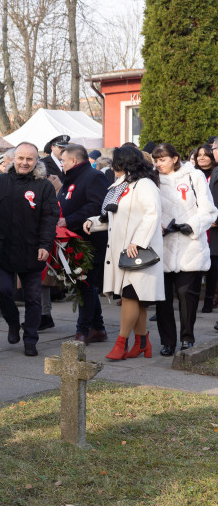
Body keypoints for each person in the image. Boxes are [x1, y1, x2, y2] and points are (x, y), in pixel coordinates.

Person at [84, 145, 164, 361]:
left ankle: (121, 343)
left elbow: (152, 215)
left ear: (125, 163)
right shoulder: (122, 185)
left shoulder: (145, 185)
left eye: (115, 163)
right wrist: (92, 223)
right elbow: (113, 216)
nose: (112, 167)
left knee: (131, 296)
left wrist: (138, 242)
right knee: (135, 298)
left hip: (139, 252)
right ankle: (142, 343)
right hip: (124, 251)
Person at [0, 143, 58, 356]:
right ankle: (12, 323)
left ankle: (30, 338)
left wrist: (45, 245)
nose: (24, 163)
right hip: (2, 249)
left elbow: (49, 218)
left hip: (32, 250)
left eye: (29, 159)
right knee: (3, 291)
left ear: (36, 161)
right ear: (13, 159)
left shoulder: (44, 186)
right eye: (21, 158)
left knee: (33, 298)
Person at [152, 144, 216, 355]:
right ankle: (167, 342)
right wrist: (157, 226)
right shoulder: (153, 179)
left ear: (175, 158)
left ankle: (187, 337)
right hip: (163, 245)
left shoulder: (194, 176)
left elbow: (208, 210)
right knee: (163, 299)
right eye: (156, 160)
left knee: (187, 295)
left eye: (162, 159)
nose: (158, 163)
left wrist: (191, 225)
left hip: (190, 246)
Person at [58, 144, 110, 345]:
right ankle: (98, 328)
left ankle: (84, 330)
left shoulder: (93, 176)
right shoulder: (70, 178)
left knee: (86, 286)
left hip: (89, 242)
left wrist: (68, 220)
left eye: (63, 160)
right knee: (84, 285)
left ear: (73, 160)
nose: (61, 164)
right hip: (73, 241)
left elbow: (96, 206)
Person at [192, 146, 218, 312]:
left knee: (213, 265)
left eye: (205, 155)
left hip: (213, 226)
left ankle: (209, 299)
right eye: (199, 155)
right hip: (197, 224)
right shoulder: (192, 174)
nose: (201, 158)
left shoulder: (215, 173)